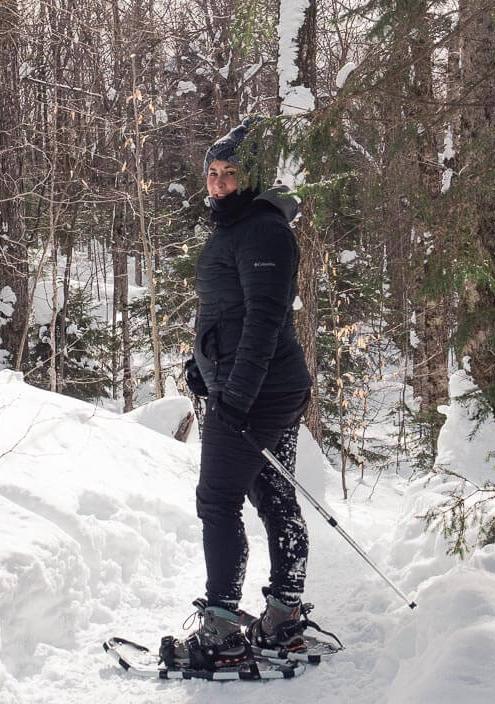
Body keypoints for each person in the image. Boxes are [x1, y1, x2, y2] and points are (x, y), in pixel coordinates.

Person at [163, 117, 314, 672]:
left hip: (257, 392)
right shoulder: (236, 228)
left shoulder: (264, 231)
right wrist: (200, 364)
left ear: (250, 180)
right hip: (253, 386)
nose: (219, 183)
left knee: (217, 500)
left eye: (230, 174)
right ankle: (283, 615)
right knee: (272, 494)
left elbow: (265, 319)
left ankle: (223, 629)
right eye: (213, 173)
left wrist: (237, 393)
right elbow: (225, 311)